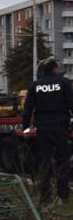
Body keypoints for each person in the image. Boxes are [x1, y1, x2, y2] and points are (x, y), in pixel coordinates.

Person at [22, 58, 73, 205]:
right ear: (55, 68)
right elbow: (71, 103)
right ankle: (62, 196)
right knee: (63, 161)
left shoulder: (35, 85)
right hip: (60, 126)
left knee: (44, 161)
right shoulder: (63, 83)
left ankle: (45, 196)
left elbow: (28, 110)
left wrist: (26, 128)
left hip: (43, 128)